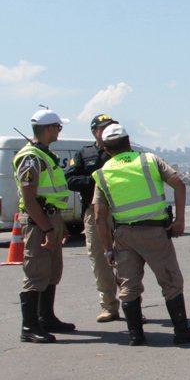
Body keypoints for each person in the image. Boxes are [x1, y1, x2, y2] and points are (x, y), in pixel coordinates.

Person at [93, 125, 190, 346]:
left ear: (106, 149)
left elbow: (99, 216)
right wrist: (180, 220)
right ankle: (181, 331)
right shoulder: (149, 160)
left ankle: (135, 334)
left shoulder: (102, 173)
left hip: (124, 234)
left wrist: (108, 249)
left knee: (128, 285)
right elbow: (179, 184)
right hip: (155, 232)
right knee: (170, 281)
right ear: (129, 142)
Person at [13, 109, 74, 343]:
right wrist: (47, 229)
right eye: (58, 127)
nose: (60, 131)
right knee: (36, 272)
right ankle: (29, 326)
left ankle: (46, 317)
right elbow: (29, 199)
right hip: (39, 221)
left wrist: (59, 225)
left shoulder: (44, 155)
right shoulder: (31, 158)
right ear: (49, 128)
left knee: (51, 271)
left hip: (51, 218)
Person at [63, 114, 122, 323]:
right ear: (94, 131)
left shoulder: (121, 151)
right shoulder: (84, 153)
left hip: (121, 210)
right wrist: (97, 180)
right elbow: (70, 178)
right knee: (100, 258)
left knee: (126, 259)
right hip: (94, 211)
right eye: (103, 127)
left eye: (111, 127)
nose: (107, 130)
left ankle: (133, 304)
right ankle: (109, 305)